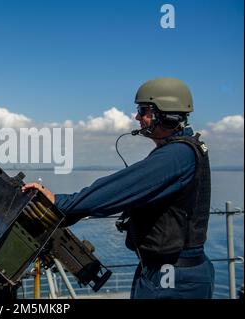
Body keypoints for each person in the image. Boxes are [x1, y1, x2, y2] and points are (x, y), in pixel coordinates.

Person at [22, 77, 215, 299]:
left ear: (165, 114)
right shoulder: (181, 151)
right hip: (166, 270)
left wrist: (59, 202)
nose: (137, 117)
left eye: (143, 111)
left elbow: (119, 189)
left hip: (173, 276)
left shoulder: (177, 155)